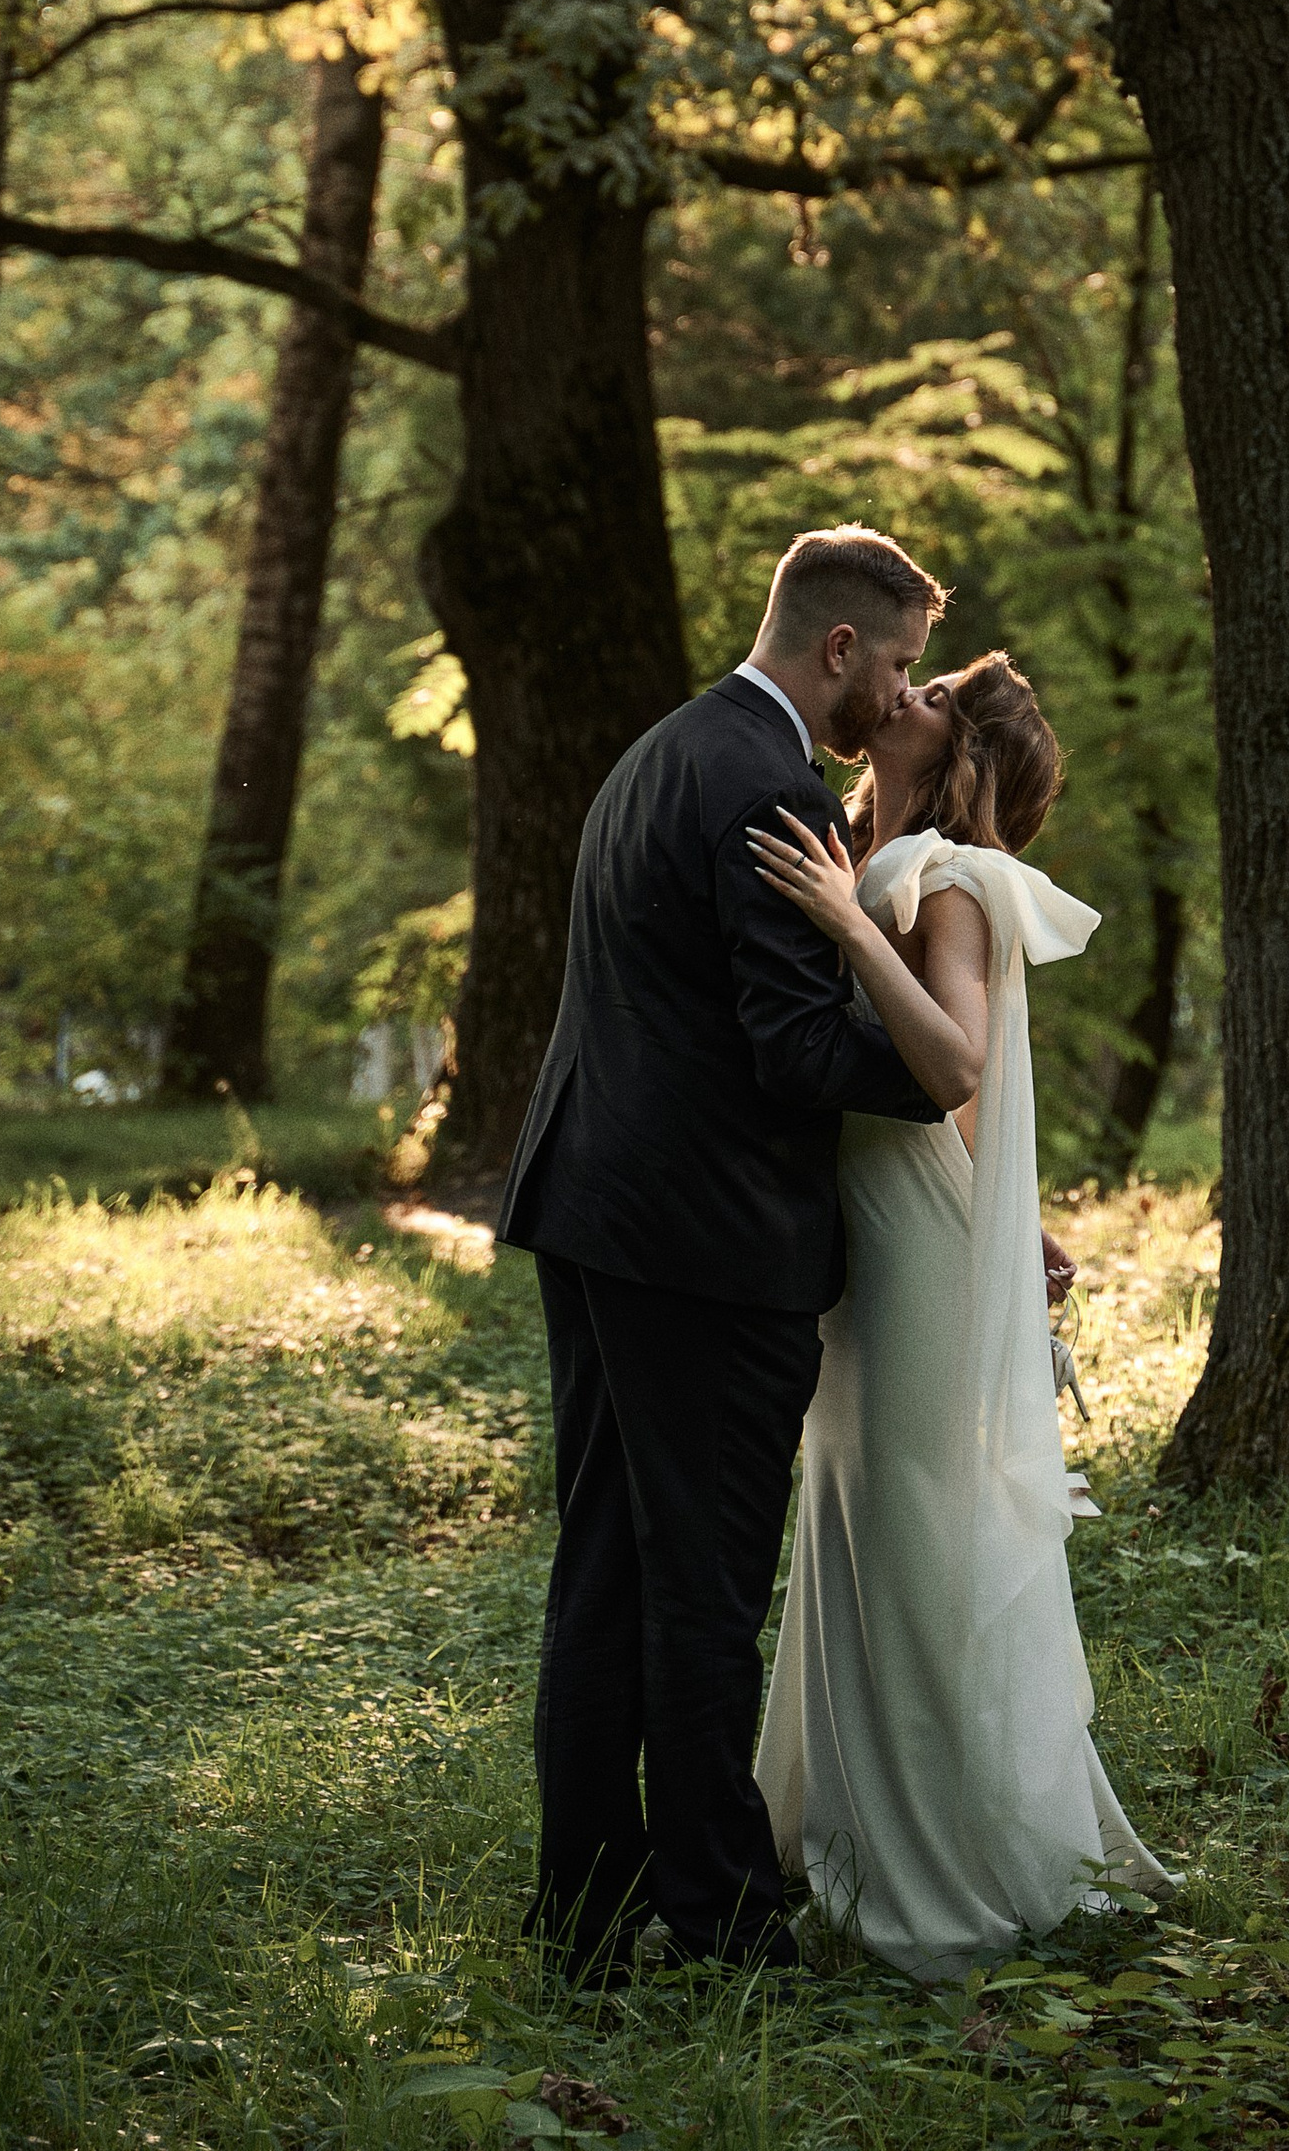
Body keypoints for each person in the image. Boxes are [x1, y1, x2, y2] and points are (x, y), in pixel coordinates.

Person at [494, 524, 950, 1979]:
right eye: (895, 664)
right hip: (701, 1246)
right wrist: (951, 1095)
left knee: (614, 1568)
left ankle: (584, 1907)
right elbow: (794, 1045)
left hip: (596, 1213)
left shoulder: (664, 753)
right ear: (837, 649)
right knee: (698, 1587)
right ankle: (724, 1921)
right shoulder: (767, 787)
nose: (897, 693)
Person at [748, 652, 1174, 1980]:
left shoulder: (947, 878)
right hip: (878, 1227)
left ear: (962, 753)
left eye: (932, 693)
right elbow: (965, 1099)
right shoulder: (878, 846)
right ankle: (841, 1818)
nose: (907, 692)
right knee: (853, 1511)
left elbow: (955, 1060)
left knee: (919, 1520)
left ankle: (947, 1859)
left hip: (906, 1247)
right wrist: (1013, 1210)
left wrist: (847, 919)